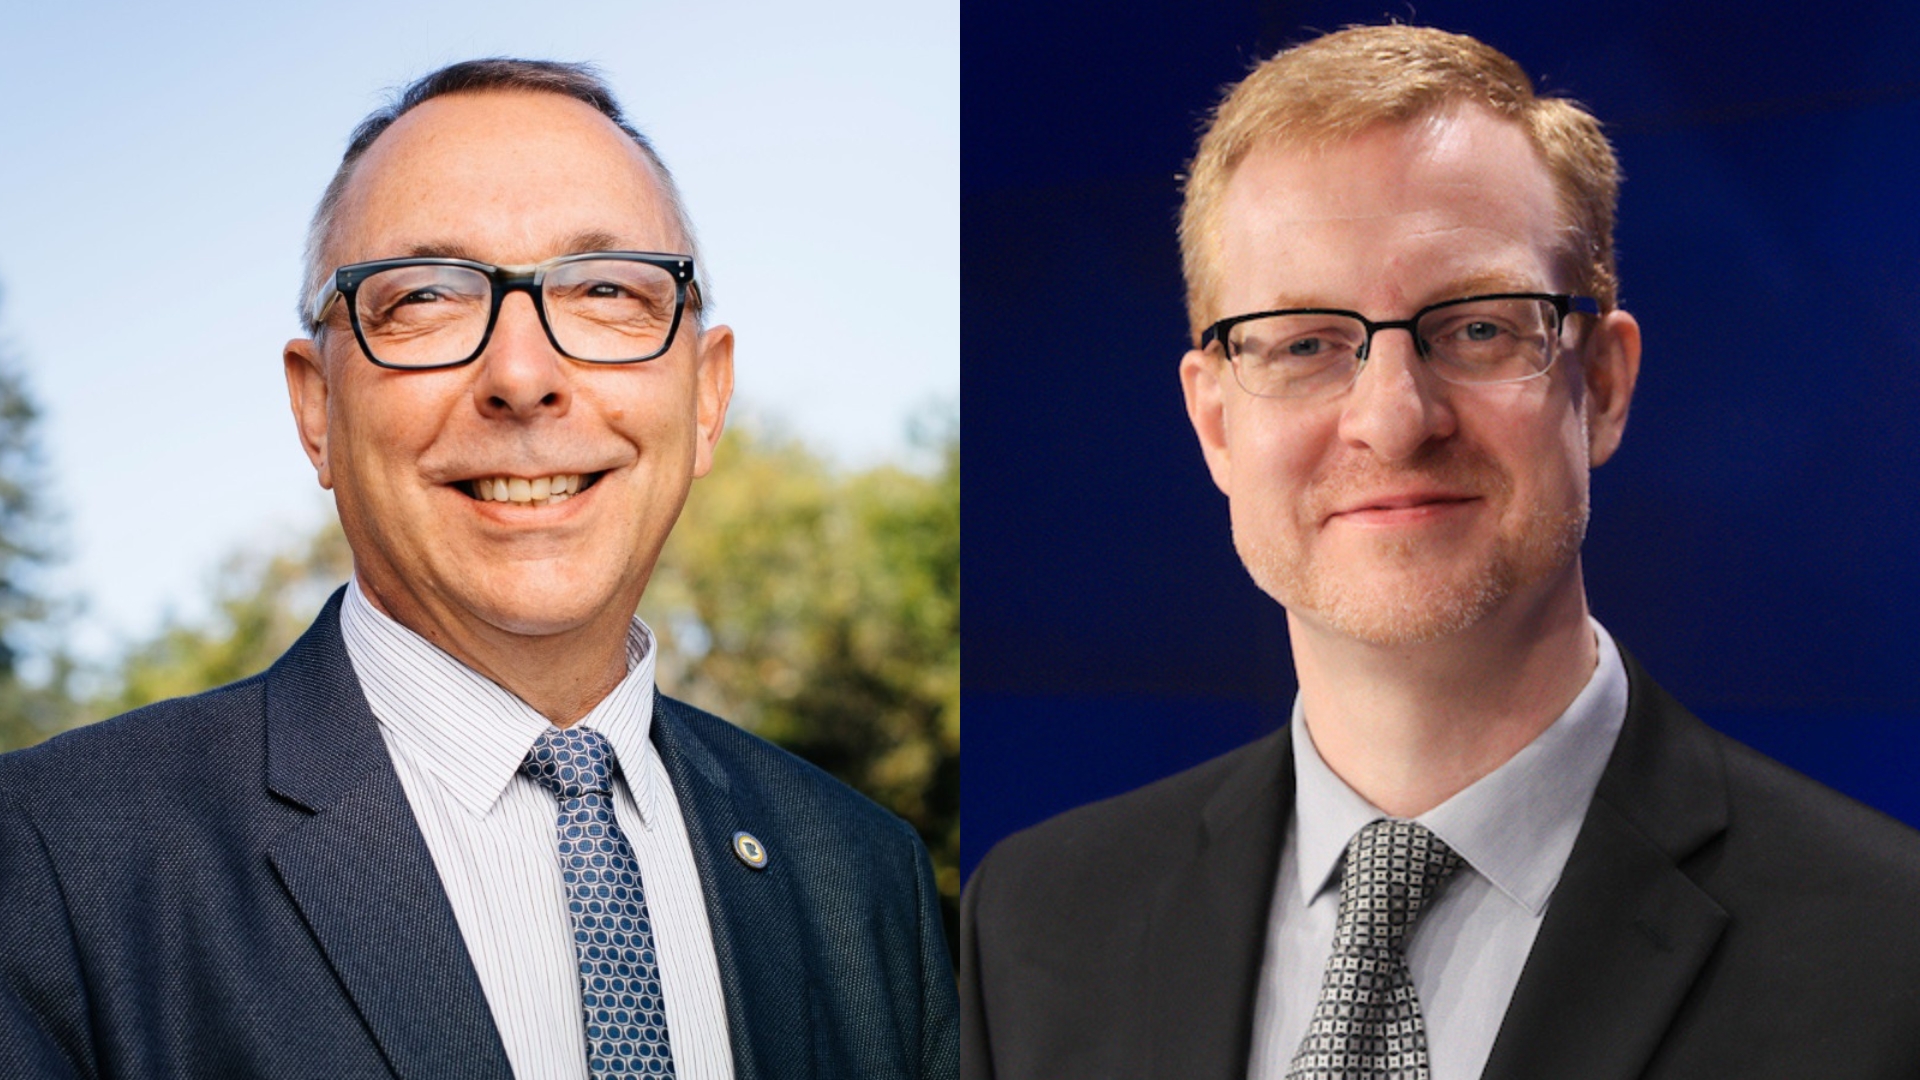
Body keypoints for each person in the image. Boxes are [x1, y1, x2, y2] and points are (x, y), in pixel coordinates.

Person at [960, 25, 1920, 1080]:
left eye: (1475, 329)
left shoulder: (1890, 952)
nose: (1394, 418)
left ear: (1599, 385)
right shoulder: (1031, 926)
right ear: (1217, 423)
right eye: (1305, 342)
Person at [0, 59, 957, 1080]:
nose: (522, 376)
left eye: (603, 290)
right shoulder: (53, 861)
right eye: (426, 297)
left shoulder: (864, 874)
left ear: (707, 394)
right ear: (315, 407)